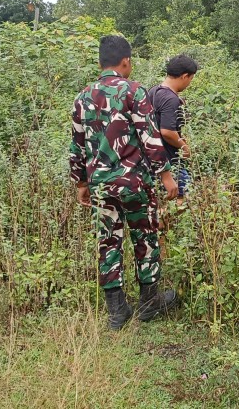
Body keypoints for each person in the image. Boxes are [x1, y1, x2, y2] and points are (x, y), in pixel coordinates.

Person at [70, 35, 180, 330]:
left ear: (100, 62)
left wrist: (81, 183)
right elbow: (150, 137)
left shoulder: (83, 97)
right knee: (145, 238)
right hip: (135, 184)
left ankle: (117, 312)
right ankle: (149, 303)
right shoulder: (134, 91)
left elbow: (77, 145)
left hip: (101, 186)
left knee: (108, 241)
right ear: (126, 61)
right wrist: (166, 175)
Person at [148, 54, 199, 202]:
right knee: (181, 199)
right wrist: (184, 147)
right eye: (190, 79)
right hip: (170, 161)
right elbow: (167, 131)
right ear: (184, 76)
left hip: (153, 159)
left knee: (161, 201)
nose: (189, 83)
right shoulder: (171, 99)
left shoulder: (153, 91)